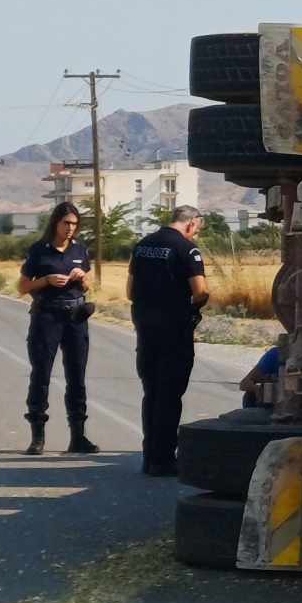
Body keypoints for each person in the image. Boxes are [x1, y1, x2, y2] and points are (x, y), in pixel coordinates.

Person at [129, 204, 209, 476]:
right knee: (170, 395)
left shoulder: (142, 245)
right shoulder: (187, 249)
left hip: (145, 329)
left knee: (151, 393)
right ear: (191, 224)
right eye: (197, 229)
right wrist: (192, 307)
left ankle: (149, 456)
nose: (195, 234)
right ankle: (163, 459)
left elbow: (130, 291)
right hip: (174, 330)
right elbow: (200, 292)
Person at [18, 201, 99, 456]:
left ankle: (78, 437)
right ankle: (37, 438)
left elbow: (88, 286)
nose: (70, 229)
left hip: (76, 317)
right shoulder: (40, 251)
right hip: (47, 316)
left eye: (75, 224)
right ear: (56, 222)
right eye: (66, 223)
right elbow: (22, 286)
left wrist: (82, 277)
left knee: (77, 376)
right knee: (41, 373)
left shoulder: (80, 250)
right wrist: (46, 280)